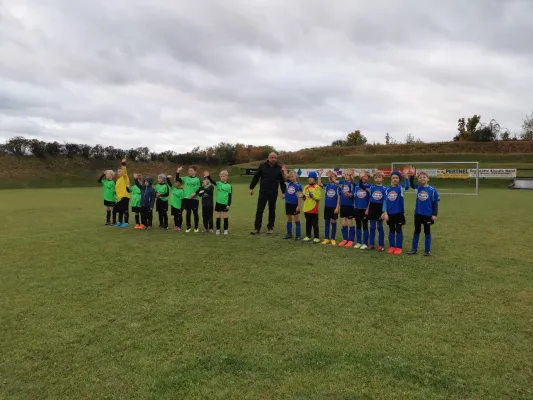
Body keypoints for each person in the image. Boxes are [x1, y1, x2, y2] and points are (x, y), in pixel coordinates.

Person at [249, 152, 287, 235]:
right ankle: (257, 228)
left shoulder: (279, 168)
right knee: (259, 210)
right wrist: (251, 187)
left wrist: (284, 192)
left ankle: (270, 227)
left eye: (275, 158)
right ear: (268, 158)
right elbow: (256, 177)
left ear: (276, 159)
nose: (273, 159)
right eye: (272, 157)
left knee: (272, 210)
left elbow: (282, 181)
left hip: (273, 192)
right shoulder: (262, 166)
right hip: (263, 192)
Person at [407, 170, 440, 256]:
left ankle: (427, 250)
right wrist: (411, 177)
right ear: (418, 179)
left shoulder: (432, 190)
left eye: (424, 177)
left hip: (427, 215)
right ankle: (414, 249)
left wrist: (434, 214)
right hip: (418, 214)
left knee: (427, 232)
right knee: (417, 231)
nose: (422, 179)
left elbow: (435, 202)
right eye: (420, 177)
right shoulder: (418, 188)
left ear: (428, 179)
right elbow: (411, 185)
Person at [381, 170, 410, 255]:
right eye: (393, 178)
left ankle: (399, 247)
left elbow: (407, 186)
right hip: (390, 214)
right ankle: (392, 246)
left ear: (399, 179)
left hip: (399, 213)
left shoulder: (400, 188)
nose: (395, 179)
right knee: (391, 230)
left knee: (398, 230)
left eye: (397, 178)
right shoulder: (387, 190)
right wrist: (385, 212)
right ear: (391, 179)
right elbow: (385, 202)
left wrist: (406, 178)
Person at [205, 170, 233, 235]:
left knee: (225, 216)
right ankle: (218, 229)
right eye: (221, 176)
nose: (222, 177)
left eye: (224, 176)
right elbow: (212, 181)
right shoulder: (218, 183)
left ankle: (226, 230)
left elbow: (230, 196)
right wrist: (208, 176)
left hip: (225, 203)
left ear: (227, 177)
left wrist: (228, 204)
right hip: (218, 203)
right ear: (220, 177)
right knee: (218, 216)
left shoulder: (229, 186)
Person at [366, 171, 387, 251]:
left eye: (379, 177)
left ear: (382, 179)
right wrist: (368, 209)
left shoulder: (385, 189)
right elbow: (370, 200)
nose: (378, 179)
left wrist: (384, 211)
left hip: (380, 208)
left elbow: (385, 201)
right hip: (372, 208)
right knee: (372, 227)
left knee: (379, 227)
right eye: (376, 177)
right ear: (374, 179)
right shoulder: (371, 187)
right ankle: (371, 244)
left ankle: (381, 245)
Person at [319, 170, 340, 246]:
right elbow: (319, 184)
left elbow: (339, 198)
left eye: (332, 176)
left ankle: (333, 239)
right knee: (327, 223)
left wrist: (337, 207)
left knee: (333, 222)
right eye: (329, 177)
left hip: (334, 207)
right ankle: (326, 238)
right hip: (327, 207)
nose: (331, 178)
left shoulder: (337, 186)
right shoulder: (327, 186)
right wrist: (320, 175)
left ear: (336, 177)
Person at [177, 166, 201, 233]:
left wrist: (195, 193)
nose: (190, 172)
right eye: (189, 170)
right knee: (188, 213)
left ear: (195, 172)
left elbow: (200, 188)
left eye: (191, 170)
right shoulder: (185, 178)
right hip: (186, 198)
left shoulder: (197, 179)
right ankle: (188, 227)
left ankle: (196, 227)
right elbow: (177, 179)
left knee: (195, 213)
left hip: (195, 199)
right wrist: (178, 171)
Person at [335, 169, 356, 247]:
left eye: (348, 175)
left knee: (350, 223)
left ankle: (350, 240)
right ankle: (345, 239)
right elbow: (339, 195)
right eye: (345, 175)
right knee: (344, 223)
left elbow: (352, 195)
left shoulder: (353, 184)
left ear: (352, 176)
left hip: (350, 206)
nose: (346, 176)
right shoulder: (342, 183)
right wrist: (338, 206)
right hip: (343, 206)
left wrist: (349, 195)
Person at [282, 170, 303, 241]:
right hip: (288, 204)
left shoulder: (298, 186)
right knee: (289, 219)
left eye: (292, 176)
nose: (291, 178)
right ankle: (289, 234)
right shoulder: (288, 184)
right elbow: (285, 177)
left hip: (295, 205)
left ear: (296, 177)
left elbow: (300, 197)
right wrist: (284, 195)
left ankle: (298, 235)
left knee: (296, 219)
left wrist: (298, 206)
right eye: (290, 177)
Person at [302, 171, 322, 243]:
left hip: (314, 208)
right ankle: (308, 236)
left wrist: (312, 196)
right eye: (309, 178)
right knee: (308, 223)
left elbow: (319, 198)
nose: (310, 179)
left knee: (315, 223)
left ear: (315, 179)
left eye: (312, 178)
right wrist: (302, 196)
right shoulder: (306, 187)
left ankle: (317, 237)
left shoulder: (317, 187)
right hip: (306, 208)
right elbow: (304, 198)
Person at [354, 171, 370, 249]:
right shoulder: (357, 187)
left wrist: (368, 208)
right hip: (357, 209)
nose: (363, 177)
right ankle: (358, 242)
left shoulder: (369, 186)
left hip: (365, 210)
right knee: (358, 225)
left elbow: (370, 199)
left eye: (365, 176)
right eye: (362, 176)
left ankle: (365, 243)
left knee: (365, 226)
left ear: (368, 178)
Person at [112, 159, 130, 227]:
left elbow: (124, 171)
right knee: (119, 210)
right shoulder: (118, 180)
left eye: (120, 171)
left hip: (125, 196)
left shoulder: (124, 177)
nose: (118, 172)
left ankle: (126, 222)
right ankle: (119, 221)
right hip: (119, 198)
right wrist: (116, 198)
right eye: (118, 171)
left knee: (125, 209)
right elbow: (117, 190)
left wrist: (123, 164)